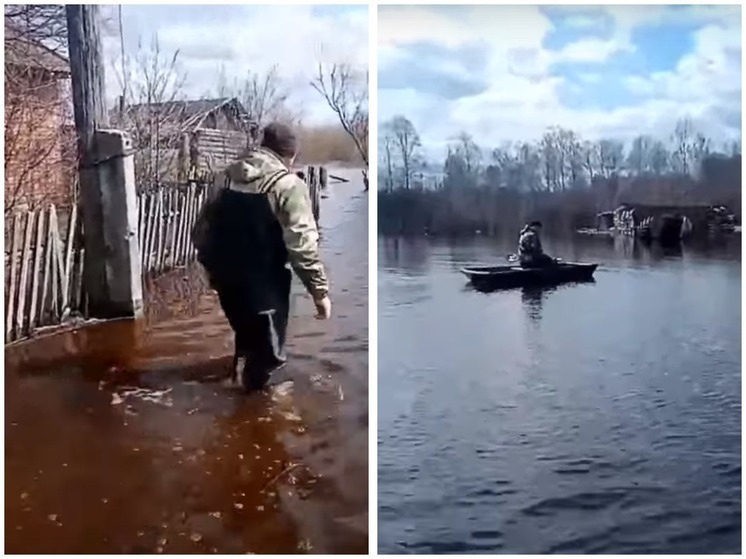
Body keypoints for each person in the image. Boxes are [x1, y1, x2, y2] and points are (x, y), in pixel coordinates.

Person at [192, 122, 331, 392]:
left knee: (246, 338)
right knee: (270, 364)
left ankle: (236, 391)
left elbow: (201, 230)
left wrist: (211, 270)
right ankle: (262, 419)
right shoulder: (287, 185)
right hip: (264, 285)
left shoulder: (226, 177)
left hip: (226, 280)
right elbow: (302, 247)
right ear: (290, 154)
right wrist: (319, 292)